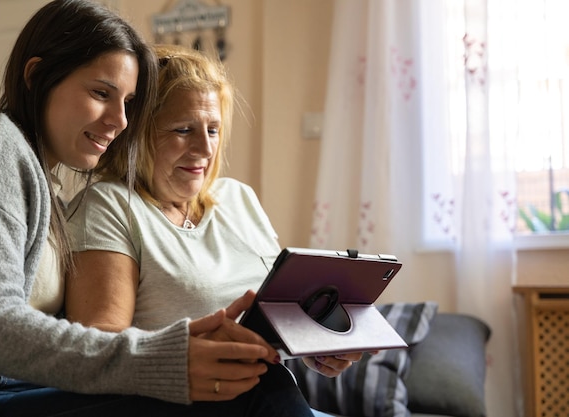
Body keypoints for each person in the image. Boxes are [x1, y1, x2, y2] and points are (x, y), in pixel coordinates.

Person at [0, 2, 280, 417]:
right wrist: (161, 357)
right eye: (101, 93)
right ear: (36, 76)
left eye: (129, 102)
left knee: (248, 382)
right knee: (247, 390)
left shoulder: (47, 187)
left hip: (27, 388)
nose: (120, 121)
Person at [65, 44, 363, 416]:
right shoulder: (110, 206)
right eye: (183, 129)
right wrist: (188, 351)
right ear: (137, 134)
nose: (204, 148)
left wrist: (314, 344)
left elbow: (277, 307)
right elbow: (94, 345)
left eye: (213, 129)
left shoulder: (238, 198)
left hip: (267, 394)